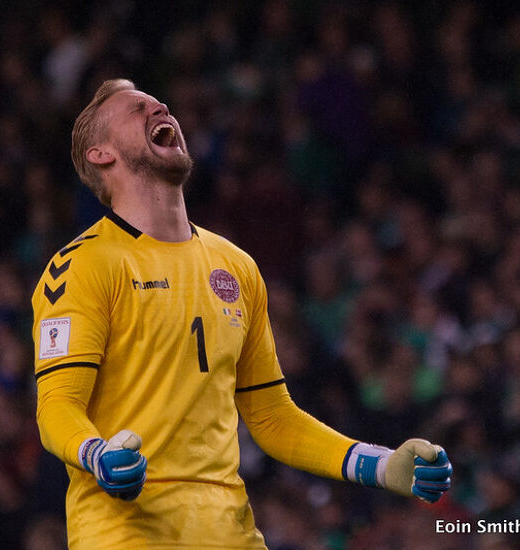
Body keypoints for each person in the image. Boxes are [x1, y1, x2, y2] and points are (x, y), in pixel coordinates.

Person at [31, 78, 452, 549]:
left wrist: (380, 463)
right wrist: (97, 454)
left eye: (158, 103)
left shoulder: (235, 266)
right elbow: (57, 407)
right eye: (137, 109)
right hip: (125, 535)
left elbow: (272, 416)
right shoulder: (83, 265)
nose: (160, 106)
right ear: (101, 154)